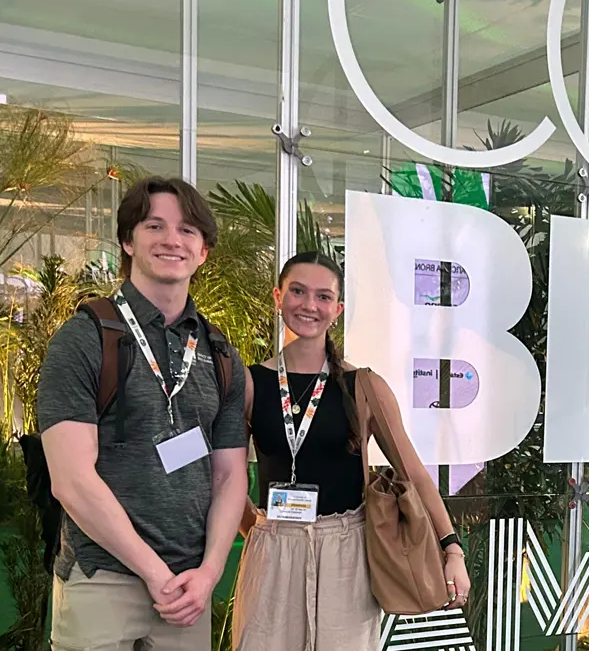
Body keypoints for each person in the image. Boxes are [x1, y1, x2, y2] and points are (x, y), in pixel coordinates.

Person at [38, 176, 249, 651]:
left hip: (188, 588)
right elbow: (70, 479)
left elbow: (229, 476)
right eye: (155, 225)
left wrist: (210, 572)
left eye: (188, 230)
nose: (172, 239)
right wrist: (154, 573)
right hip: (102, 578)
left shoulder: (220, 354)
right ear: (128, 241)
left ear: (203, 252)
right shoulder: (85, 338)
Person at [233, 251, 470, 651]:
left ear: (337, 309)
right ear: (278, 297)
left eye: (323, 297)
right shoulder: (250, 383)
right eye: (297, 291)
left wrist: (452, 548)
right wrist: (263, 532)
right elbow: (229, 478)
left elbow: (412, 472)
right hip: (273, 549)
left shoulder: (364, 386)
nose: (309, 305)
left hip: (346, 551)